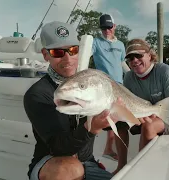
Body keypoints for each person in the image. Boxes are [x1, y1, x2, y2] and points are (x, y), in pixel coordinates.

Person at [23, 21, 119, 180]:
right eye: (57, 52)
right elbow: (58, 148)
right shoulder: (38, 94)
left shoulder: (93, 85)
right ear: (45, 55)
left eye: (72, 50)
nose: (67, 59)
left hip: (87, 163)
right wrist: (91, 128)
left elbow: (119, 116)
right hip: (52, 163)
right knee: (70, 169)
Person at [112, 38, 169, 174]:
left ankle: (139, 170)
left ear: (150, 55)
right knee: (119, 122)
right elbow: (127, 105)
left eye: (138, 55)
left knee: (149, 126)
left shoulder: (166, 72)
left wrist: (153, 116)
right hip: (147, 114)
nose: (134, 61)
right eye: (130, 58)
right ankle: (121, 166)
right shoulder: (128, 78)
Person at [91, 13, 130, 161]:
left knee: (115, 118)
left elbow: (122, 63)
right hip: (104, 86)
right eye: (103, 28)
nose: (106, 31)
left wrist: (133, 76)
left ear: (114, 26)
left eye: (109, 27)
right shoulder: (95, 42)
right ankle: (94, 149)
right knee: (103, 117)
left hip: (119, 85)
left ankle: (108, 148)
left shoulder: (120, 45)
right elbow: (85, 54)